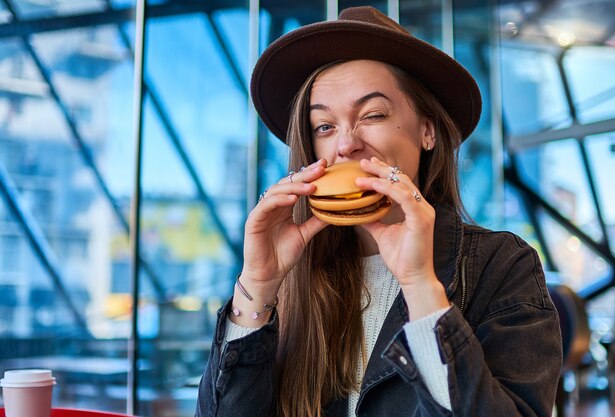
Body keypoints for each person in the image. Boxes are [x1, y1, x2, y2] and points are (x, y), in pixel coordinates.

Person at [195, 6, 562, 417]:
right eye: (324, 127)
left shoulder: (502, 267)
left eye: (372, 115)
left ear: (428, 131)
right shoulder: (292, 276)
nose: (346, 144)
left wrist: (421, 285)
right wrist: (258, 285)